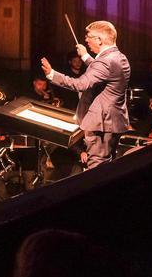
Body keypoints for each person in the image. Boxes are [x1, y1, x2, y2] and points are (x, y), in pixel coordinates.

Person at [41, 20, 131, 169]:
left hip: (101, 125)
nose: (86, 40)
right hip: (114, 122)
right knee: (108, 168)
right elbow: (103, 71)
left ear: (99, 40)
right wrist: (85, 56)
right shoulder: (119, 57)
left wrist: (52, 74)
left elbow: (80, 84)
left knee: (96, 171)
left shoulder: (105, 62)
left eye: (89, 36)